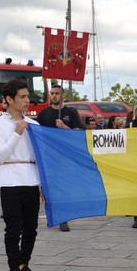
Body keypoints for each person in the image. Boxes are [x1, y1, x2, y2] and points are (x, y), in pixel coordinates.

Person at [0, 79, 44, 271]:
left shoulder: (34, 124)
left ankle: (24, 265)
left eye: (27, 96)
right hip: (10, 181)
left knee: (31, 228)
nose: (27, 100)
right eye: (22, 96)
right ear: (9, 99)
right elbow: (0, 156)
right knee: (13, 229)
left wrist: (43, 186)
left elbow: (40, 158)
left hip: (31, 180)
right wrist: (17, 132)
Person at [37, 84, 83, 232]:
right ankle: (54, 215)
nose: (54, 96)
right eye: (52, 93)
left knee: (66, 187)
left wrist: (64, 127)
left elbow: (77, 134)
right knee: (52, 188)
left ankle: (64, 218)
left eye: (57, 93)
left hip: (66, 158)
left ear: (63, 95)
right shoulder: (43, 114)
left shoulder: (71, 113)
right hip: (50, 157)